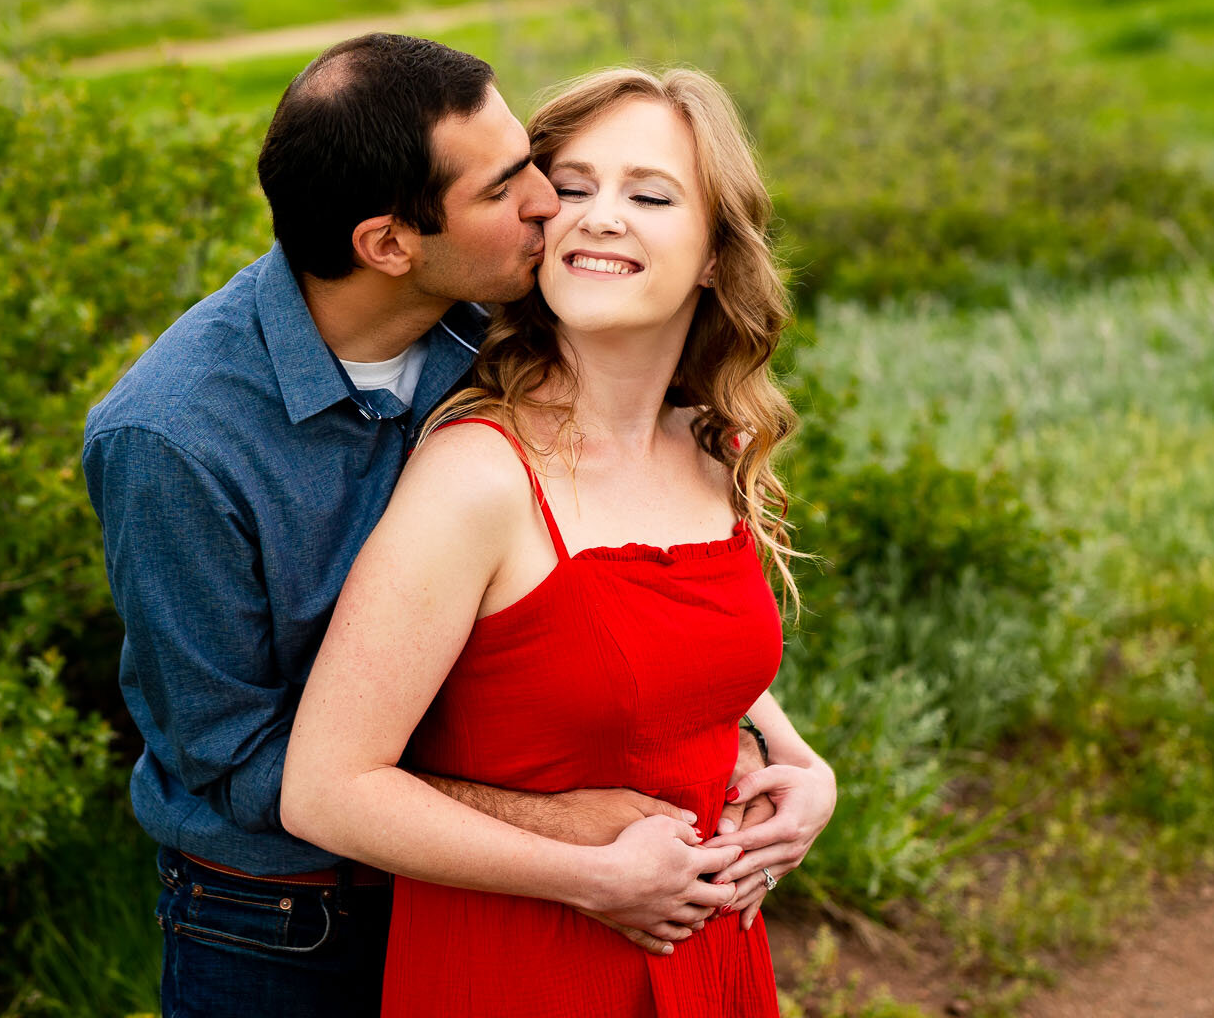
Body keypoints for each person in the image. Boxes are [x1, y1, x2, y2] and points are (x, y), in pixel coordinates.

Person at [84, 36, 798, 1018]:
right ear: (389, 244)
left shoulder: (487, 317)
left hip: (520, 895)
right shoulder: (172, 439)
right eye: (516, 185)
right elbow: (255, 770)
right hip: (286, 924)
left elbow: (619, 608)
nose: (553, 207)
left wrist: (782, 755)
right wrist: (561, 832)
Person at [281, 65, 835, 1016]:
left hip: (710, 961)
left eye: (650, 194)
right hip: (523, 967)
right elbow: (326, 791)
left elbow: (666, 659)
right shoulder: (480, 475)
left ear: (714, 254)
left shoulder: (714, 447)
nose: (597, 217)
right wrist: (589, 877)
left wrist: (800, 765)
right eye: (569, 188)